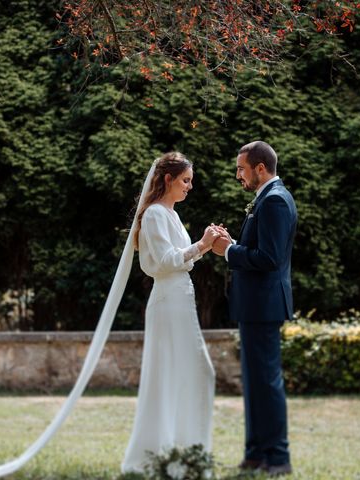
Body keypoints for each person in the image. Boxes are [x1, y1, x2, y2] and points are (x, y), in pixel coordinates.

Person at [121, 152, 219, 474]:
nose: (190, 187)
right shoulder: (153, 216)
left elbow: (180, 259)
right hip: (168, 301)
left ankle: (183, 454)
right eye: (186, 180)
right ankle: (173, 455)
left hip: (180, 299)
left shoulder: (172, 216)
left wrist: (204, 245)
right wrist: (200, 245)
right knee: (192, 372)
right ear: (168, 179)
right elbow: (164, 263)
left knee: (187, 374)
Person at [212, 141, 297, 477]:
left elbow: (270, 258)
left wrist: (229, 251)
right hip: (255, 306)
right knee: (255, 381)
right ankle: (255, 453)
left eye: (241, 169)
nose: (238, 175)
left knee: (266, 381)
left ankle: (277, 457)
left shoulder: (275, 200)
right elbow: (260, 250)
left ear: (260, 168)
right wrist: (233, 243)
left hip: (264, 306)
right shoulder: (268, 198)